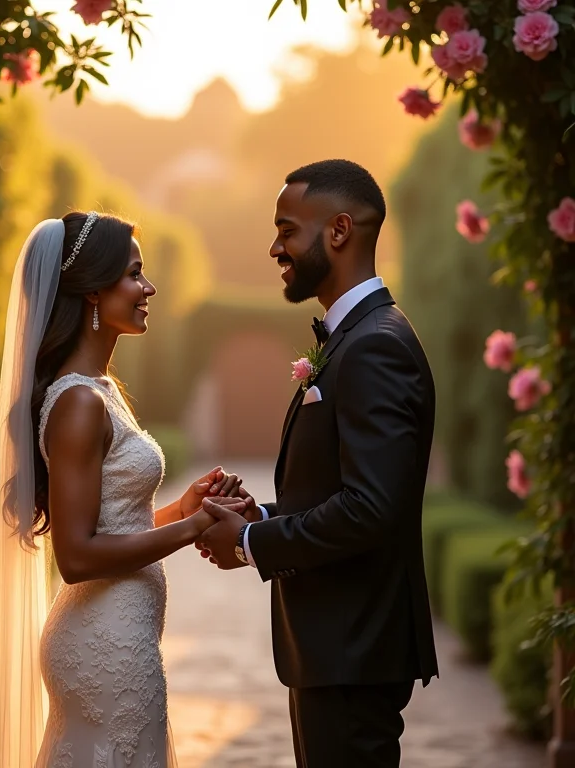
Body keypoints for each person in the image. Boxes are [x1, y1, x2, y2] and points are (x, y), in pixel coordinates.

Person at [0, 212, 248, 768]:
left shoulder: (100, 389)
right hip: (104, 644)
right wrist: (192, 528)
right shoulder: (78, 404)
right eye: (133, 275)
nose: (148, 288)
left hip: (120, 635)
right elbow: (75, 557)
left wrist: (183, 506)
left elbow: (114, 525)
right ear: (94, 289)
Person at [198, 160, 439, 768]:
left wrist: (254, 541)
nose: (275, 246)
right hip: (338, 650)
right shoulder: (353, 338)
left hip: (354, 650)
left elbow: (372, 508)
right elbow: (348, 489)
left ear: (337, 231)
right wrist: (265, 515)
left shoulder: (375, 345)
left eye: (287, 229)